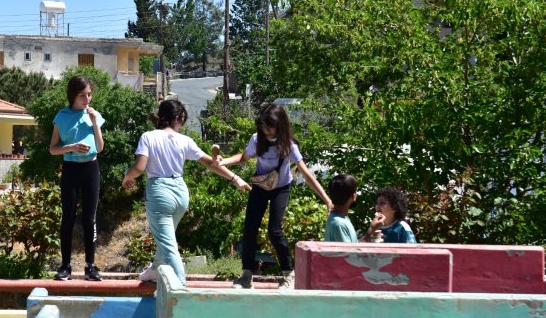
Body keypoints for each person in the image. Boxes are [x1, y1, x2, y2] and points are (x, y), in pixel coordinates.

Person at [122, 100, 250, 285]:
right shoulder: (185, 140)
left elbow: (139, 168)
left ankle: (181, 286)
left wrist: (127, 177)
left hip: (160, 193)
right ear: (177, 118)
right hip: (181, 194)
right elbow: (211, 163)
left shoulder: (148, 137)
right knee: (166, 237)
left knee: (168, 243)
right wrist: (235, 178)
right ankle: (154, 270)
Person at [218, 104, 333, 290]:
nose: (266, 131)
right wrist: (224, 161)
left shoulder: (289, 145)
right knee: (249, 229)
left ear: (280, 125)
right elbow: (243, 157)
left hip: (281, 188)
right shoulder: (257, 139)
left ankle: (289, 274)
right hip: (261, 186)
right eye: (263, 127)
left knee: (274, 230)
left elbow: (306, 174)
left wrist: (327, 199)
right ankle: (246, 276)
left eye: (270, 127)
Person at [49, 76, 105, 281]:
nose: (87, 99)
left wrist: (95, 122)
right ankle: (65, 266)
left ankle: (91, 266)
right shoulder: (62, 117)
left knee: (90, 218)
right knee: (68, 217)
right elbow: (52, 149)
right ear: (73, 95)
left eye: (89, 94)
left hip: (91, 168)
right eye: (82, 95)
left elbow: (100, 147)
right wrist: (71, 147)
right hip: (71, 169)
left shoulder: (94, 115)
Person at [324, 174, 358, 243]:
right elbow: (348, 250)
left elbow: (353, 246)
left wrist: (369, 233)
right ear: (353, 196)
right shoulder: (340, 224)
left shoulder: (338, 218)